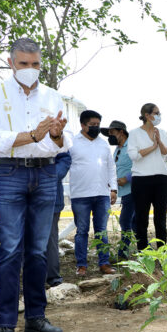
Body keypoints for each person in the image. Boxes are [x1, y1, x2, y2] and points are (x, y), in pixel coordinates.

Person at [0, 37, 71, 332]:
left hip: (46, 173)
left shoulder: (52, 95)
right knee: (10, 250)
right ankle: (4, 325)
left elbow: (63, 143)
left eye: (35, 64)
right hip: (9, 174)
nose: (30, 70)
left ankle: (35, 317)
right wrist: (33, 134)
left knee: (37, 251)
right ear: (11, 63)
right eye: (23, 64)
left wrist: (56, 135)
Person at [68, 110, 117, 276]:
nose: (96, 128)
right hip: (80, 195)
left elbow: (111, 167)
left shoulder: (103, 144)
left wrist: (113, 189)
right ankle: (81, 265)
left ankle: (104, 263)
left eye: (98, 125)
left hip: (102, 194)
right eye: (92, 125)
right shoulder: (72, 143)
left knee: (101, 231)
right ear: (83, 125)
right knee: (82, 231)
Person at [128, 103, 167, 250]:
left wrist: (158, 141)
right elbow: (134, 155)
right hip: (141, 179)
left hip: (162, 179)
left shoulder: (162, 132)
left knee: (160, 220)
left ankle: (162, 253)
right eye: (156, 113)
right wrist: (152, 147)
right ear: (147, 115)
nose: (159, 116)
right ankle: (143, 252)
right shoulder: (134, 133)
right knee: (141, 219)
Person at [102, 120, 137, 258]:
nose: (109, 136)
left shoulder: (132, 146)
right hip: (124, 191)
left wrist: (127, 179)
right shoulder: (118, 149)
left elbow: (139, 165)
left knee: (125, 221)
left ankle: (122, 254)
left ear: (121, 132)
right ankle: (144, 251)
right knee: (134, 222)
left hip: (134, 189)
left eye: (112, 133)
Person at [45, 151, 71, 287]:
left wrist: (48, 175)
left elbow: (65, 159)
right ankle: (34, 277)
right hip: (28, 198)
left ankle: (53, 277)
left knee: (50, 239)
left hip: (52, 198)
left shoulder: (56, 135)